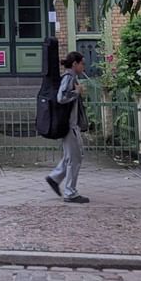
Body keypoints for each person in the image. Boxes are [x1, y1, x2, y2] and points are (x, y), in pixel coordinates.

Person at [46, 50, 88, 203]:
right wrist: (77, 92)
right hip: (70, 125)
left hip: (71, 124)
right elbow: (61, 97)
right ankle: (70, 192)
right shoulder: (69, 78)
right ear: (75, 64)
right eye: (82, 63)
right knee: (75, 159)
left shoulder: (71, 77)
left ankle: (54, 178)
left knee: (71, 157)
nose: (84, 67)